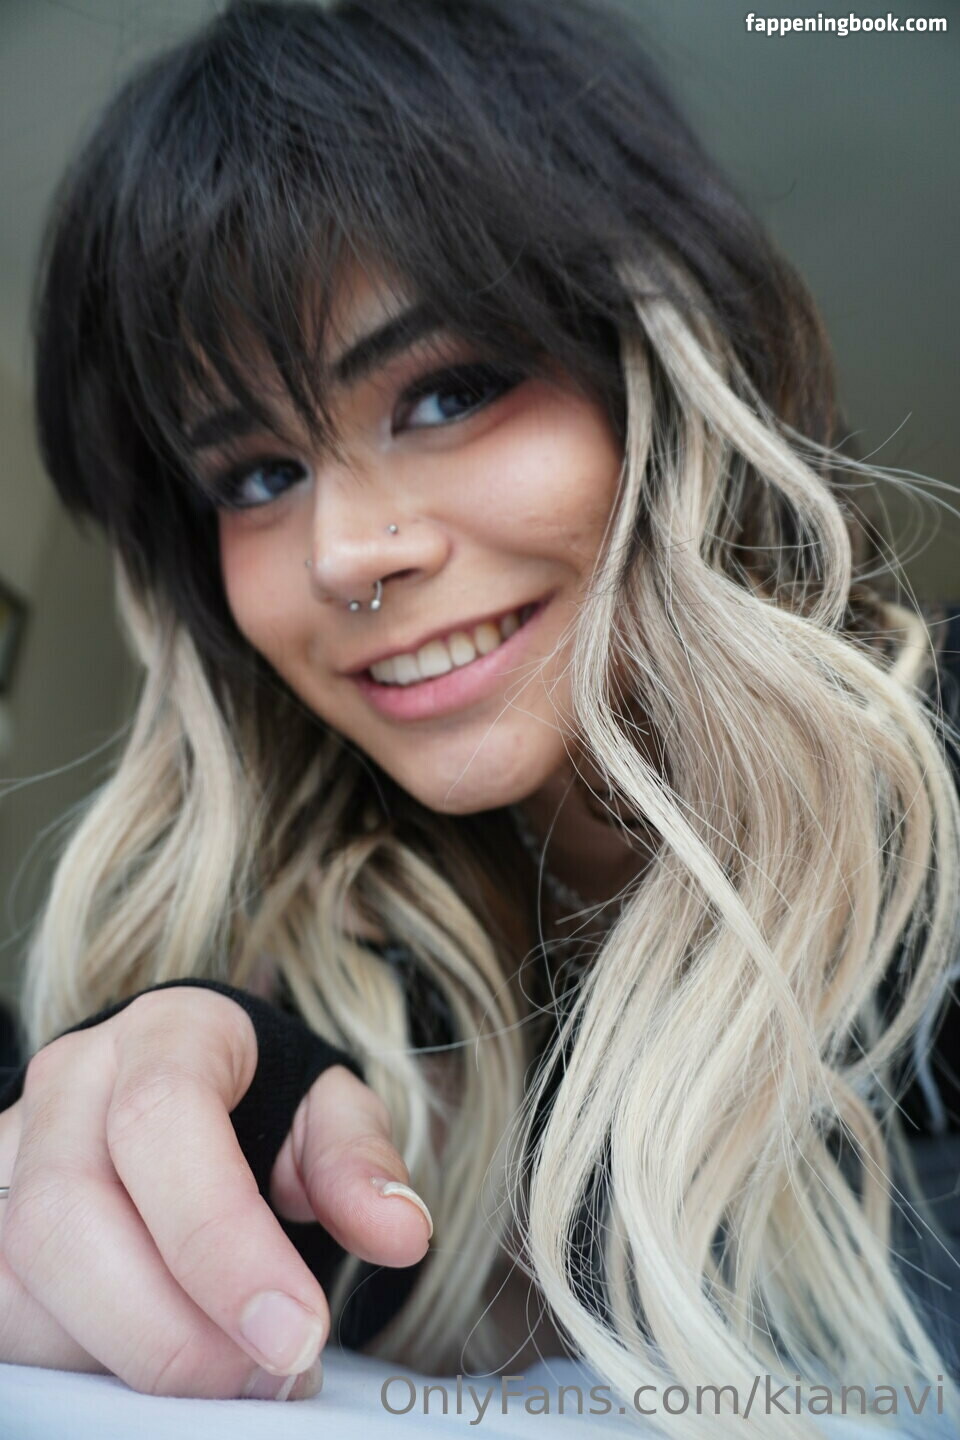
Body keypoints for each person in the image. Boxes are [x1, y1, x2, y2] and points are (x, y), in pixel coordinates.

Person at [0, 0, 959, 1431]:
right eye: (257, 477)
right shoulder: (301, 981)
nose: (346, 554)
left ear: (661, 372)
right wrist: (197, 1119)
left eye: (450, 392)